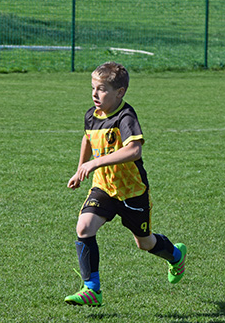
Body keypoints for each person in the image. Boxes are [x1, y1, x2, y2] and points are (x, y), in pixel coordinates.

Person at [65, 61, 186, 307]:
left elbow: (134, 150)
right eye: (93, 88)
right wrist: (81, 167)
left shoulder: (125, 116)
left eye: (102, 89)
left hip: (132, 192)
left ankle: (175, 255)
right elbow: (87, 139)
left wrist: (95, 164)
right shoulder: (92, 114)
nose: (94, 94)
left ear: (119, 92)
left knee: (145, 243)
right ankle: (91, 289)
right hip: (104, 188)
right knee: (84, 227)